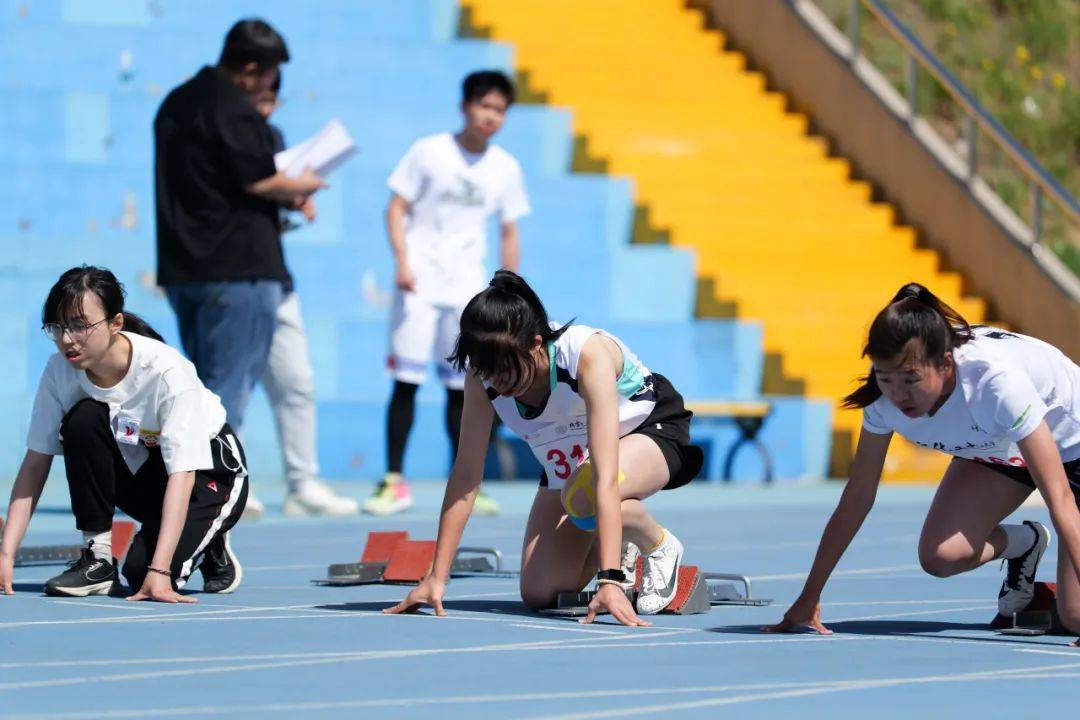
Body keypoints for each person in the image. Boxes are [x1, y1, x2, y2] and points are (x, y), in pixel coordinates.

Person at [385, 271, 704, 625]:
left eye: (505, 369)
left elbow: (604, 476)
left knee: (584, 492)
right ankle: (619, 539)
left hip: (649, 431)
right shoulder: (483, 376)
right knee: (540, 592)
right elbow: (466, 474)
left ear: (536, 344)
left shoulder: (586, 356)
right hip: (573, 464)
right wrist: (436, 577)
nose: (498, 383)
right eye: (487, 371)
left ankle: (656, 544)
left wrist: (608, 580)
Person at [766, 283, 1080, 637]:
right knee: (940, 556)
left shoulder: (996, 385)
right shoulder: (882, 401)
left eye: (911, 379)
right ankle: (1026, 543)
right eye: (885, 378)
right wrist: (810, 596)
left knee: (1075, 616)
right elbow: (857, 498)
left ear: (946, 364)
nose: (899, 394)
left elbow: (1062, 500)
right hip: (999, 447)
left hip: (1071, 448)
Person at [154, 19, 325, 518]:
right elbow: (257, 180)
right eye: (267, 76)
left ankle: (200, 483)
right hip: (239, 269)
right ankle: (207, 490)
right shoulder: (232, 107)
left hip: (185, 269)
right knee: (226, 390)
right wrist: (304, 182)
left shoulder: (177, 102)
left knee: (206, 383)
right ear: (251, 70)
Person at [0, 266, 248, 601]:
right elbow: (36, 462)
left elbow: (184, 473)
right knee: (83, 419)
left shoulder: (166, 371)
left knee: (141, 574)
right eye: (57, 327)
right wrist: (6, 554)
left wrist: (159, 573)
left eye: (79, 325)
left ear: (115, 323)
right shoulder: (59, 371)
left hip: (208, 475)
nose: (67, 339)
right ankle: (97, 560)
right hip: (147, 468)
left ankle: (211, 538)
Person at [366, 70, 530, 516]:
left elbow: (509, 230)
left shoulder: (505, 168)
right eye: (484, 106)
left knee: (468, 388)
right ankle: (393, 481)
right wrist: (402, 260)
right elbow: (395, 208)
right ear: (465, 106)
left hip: (467, 291)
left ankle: (469, 480)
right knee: (407, 382)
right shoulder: (429, 151)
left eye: (500, 110)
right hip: (418, 284)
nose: (490, 116)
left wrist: (506, 287)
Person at [245, 73, 359, 517]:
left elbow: (267, 198)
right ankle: (227, 479)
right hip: (236, 279)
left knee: (297, 382)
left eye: (273, 95)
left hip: (276, 277)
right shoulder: (225, 135)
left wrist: (294, 198)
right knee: (232, 385)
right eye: (258, 93)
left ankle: (302, 483)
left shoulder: (272, 135)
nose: (267, 103)